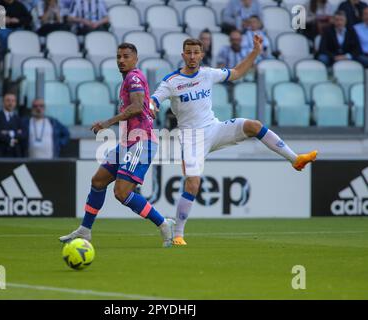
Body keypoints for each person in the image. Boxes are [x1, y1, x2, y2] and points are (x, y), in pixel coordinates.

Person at [149, 36, 318, 246]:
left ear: (202, 55)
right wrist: (152, 105)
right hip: (192, 137)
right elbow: (155, 99)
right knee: (193, 183)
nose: (192, 57)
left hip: (214, 128)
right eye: (188, 53)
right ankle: (178, 234)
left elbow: (237, 73)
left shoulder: (208, 74)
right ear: (183, 55)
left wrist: (255, 52)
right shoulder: (172, 81)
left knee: (253, 125)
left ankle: (295, 159)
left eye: (196, 53)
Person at [59, 43, 175, 247]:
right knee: (98, 181)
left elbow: (138, 107)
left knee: (121, 193)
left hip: (141, 142)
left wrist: (107, 123)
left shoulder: (134, 77)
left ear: (135, 59)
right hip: (127, 143)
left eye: (126, 56)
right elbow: (144, 104)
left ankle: (164, 224)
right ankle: (85, 231)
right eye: (119, 56)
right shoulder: (128, 80)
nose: (121, 60)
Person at [0, 93, 26, 157]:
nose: (10, 103)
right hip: (0, 153)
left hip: (16, 154)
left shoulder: (19, 118)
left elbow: (23, 135)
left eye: (13, 101)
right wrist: (14, 135)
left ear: (15, 103)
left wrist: (7, 132)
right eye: (8, 100)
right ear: (3, 102)